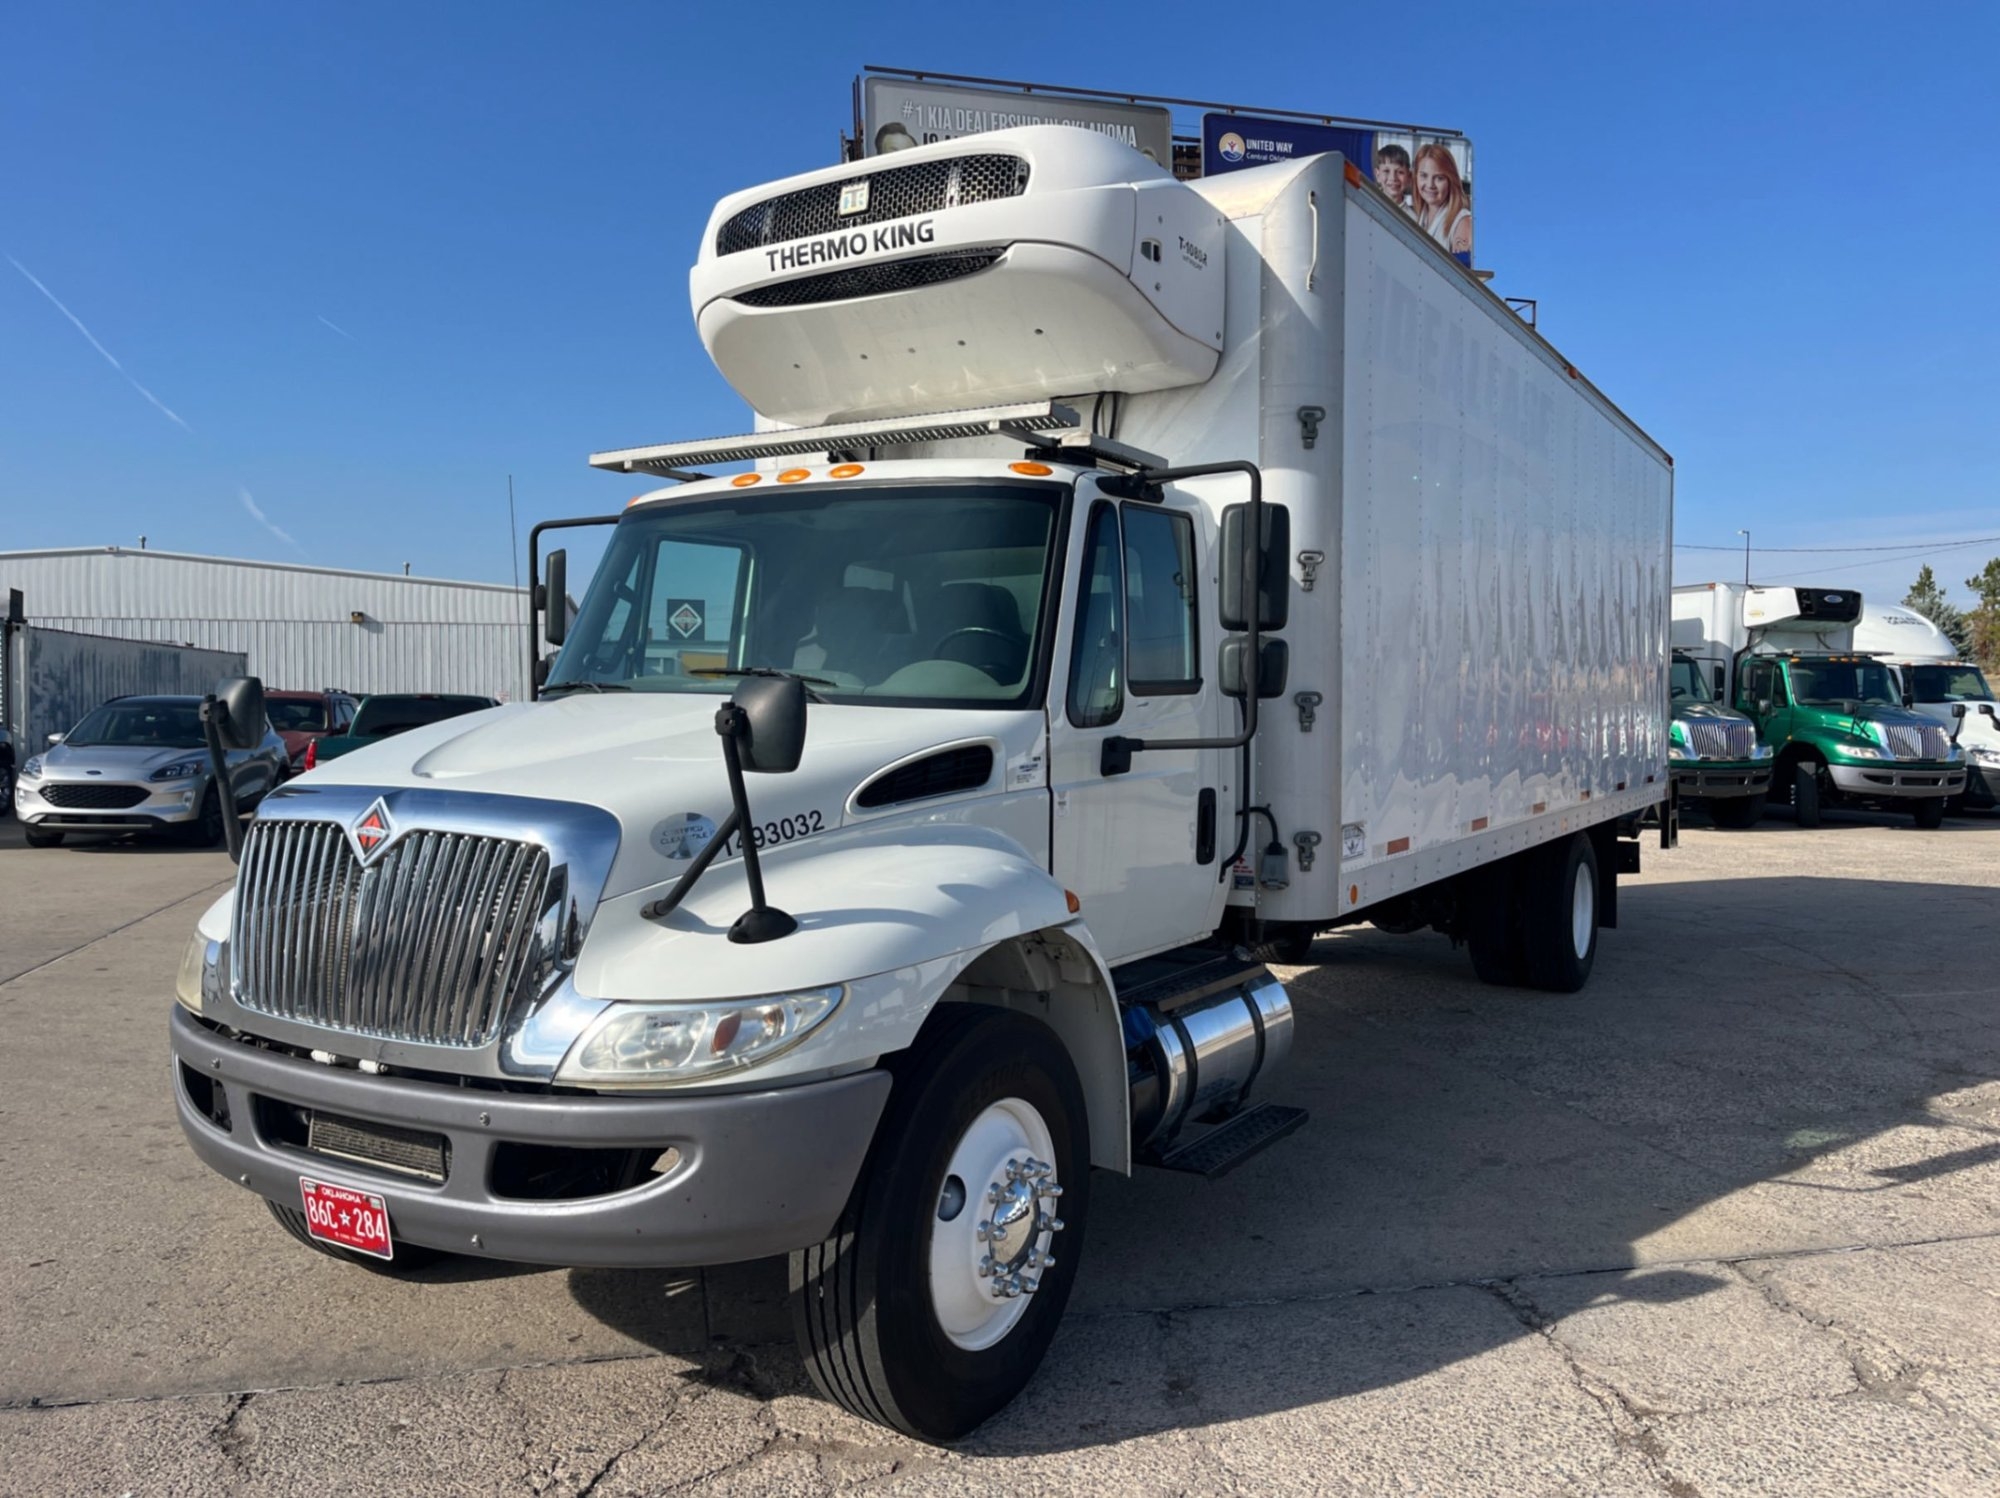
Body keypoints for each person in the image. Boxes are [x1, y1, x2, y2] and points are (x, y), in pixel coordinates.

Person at [1414, 143, 1472, 257]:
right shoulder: (1422, 215)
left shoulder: (1463, 223)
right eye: (1424, 176)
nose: (1430, 185)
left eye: (1439, 178)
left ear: (1451, 180)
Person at [1373, 143, 1413, 209]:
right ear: (1377, 175)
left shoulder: (1412, 215)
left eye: (1400, 172)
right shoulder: (1366, 206)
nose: (1393, 178)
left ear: (1409, 177)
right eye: (1386, 171)